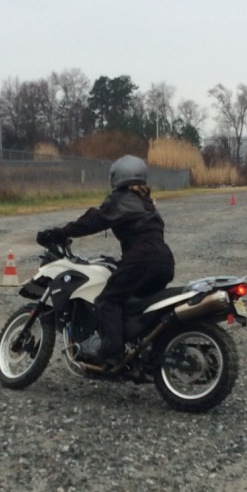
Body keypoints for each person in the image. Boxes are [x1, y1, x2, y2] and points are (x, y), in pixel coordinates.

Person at [37, 155, 174, 364]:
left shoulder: (121, 200)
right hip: (164, 263)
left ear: (118, 177)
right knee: (133, 305)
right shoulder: (147, 204)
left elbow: (92, 221)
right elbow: (144, 240)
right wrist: (122, 263)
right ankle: (138, 349)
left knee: (107, 301)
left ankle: (111, 354)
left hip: (142, 261)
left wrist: (58, 233)